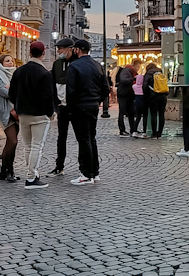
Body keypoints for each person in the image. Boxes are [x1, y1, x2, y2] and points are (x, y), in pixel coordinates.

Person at [9, 42, 56, 189]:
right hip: (39, 115)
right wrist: (50, 113)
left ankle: (32, 174)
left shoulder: (19, 71)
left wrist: (18, 107)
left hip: (23, 114)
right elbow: (48, 97)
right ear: (43, 53)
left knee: (28, 146)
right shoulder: (45, 73)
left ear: (29, 53)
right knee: (37, 146)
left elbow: (11, 94)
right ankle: (31, 177)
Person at [66, 39, 109, 185]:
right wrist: (98, 101)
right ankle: (95, 172)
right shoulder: (97, 65)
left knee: (83, 140)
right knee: (91, 138)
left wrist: (70, 110)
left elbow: (70, 91)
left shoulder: (74, 66)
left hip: (79, 106)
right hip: (93, 105)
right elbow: (105, 87)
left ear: (77, 50)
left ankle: (86, 173)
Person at [0, 54, 19, 182]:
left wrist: (13, 88)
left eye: (11, 61)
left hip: (16, 111)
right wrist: (14, 89)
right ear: (0, 63)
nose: (10, 63)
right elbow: (7, 94)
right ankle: (7, 170)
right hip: (5, 112)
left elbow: (17, 91)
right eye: (7, 61)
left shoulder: (14, 75)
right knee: (13, 141)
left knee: (11, 142)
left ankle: (6, 170)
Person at [49, 38, 76, 176]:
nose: (59, 51)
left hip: (76, 107)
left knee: (82, 137)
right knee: (61, 137)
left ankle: (85, 168)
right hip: (62, 106)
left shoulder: (77, 63)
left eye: (61, 49)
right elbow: (53, 84)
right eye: (58, 49)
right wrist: (55, 105)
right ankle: (59, 166)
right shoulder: (57, 64)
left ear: (70, 49)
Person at [115, 59, 142, 137]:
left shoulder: (133, 72)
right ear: (133, 65)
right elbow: (123, 80)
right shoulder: (126, 71)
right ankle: (122, 130)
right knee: (122, 112)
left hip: (130, 94)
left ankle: (133, 129)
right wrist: (134, 79)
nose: (138, 69)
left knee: (131, 112)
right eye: (137, 67)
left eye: (139, 67)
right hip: (123, 94)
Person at [143, 62, 167, 139]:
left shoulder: (148, 74)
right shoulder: (161, 72)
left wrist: (146, 97)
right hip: (163, 96)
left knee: (154, 115)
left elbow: (145, 86)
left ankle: (154, 133)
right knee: (161, 115)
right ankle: (160, 133)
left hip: (153, 96)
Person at [131, 65, 147, 138]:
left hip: (137, 103)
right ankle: (144, 131)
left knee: (138, 117)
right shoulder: (144, 87)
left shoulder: (134, 86)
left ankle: (134, 131)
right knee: (145, 117)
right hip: (144, 102)